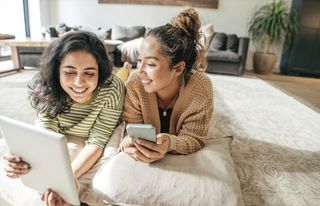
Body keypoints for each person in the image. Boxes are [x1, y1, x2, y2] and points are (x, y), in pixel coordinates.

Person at [2, 31, 125, 205]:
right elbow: (44, 130)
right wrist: (22, 160)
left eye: (89, 73)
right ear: (57, 70)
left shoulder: (112, 88)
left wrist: (69, 178)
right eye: (69, 72)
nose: (79, 83)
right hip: (59, 133)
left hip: (89, 137)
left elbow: (97, 141)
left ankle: (125, 68)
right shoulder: (49, 85)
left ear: (100, 71)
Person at [120, 8, 213, 163]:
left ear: (178, 68)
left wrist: (170, 143)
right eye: (139, 60)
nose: (140, 70)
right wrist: (128, 143)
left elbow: (195, 138)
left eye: (150, 64)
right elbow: (129, 128)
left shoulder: (200, 87)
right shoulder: (135, 82)